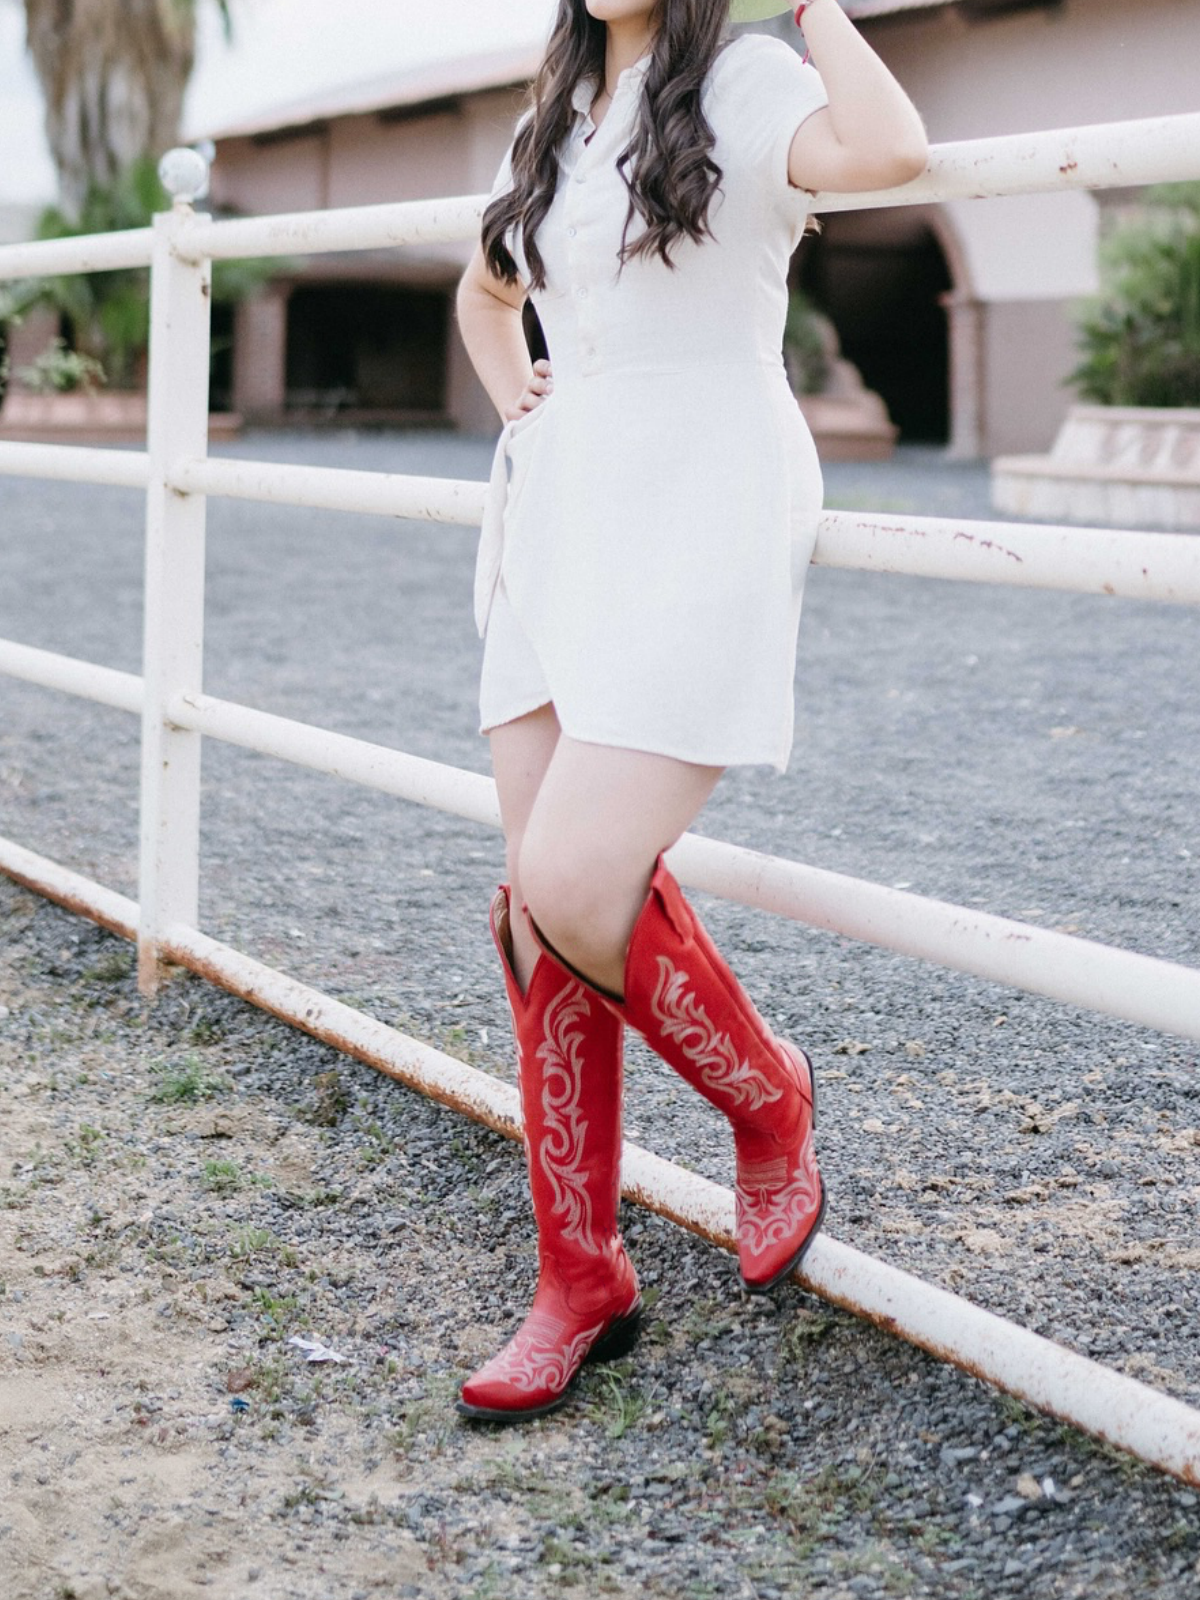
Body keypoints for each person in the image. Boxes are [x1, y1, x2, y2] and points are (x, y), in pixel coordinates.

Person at [453, 0, 927, 1422]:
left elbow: (894, 147)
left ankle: (769, 1097)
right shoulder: (560, 107)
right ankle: (578, 1276)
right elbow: (485, 290)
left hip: (703, 493)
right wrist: (518, 403)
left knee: (576, 874)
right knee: (536, 910)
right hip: (561, 513)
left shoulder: (749, 76)